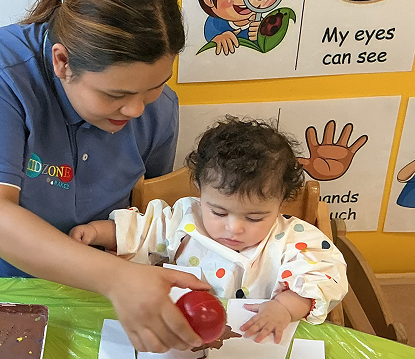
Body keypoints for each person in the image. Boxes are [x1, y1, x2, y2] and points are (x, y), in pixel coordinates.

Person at [0, 0, 211, 354]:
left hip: (89, 296)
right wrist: (118, 279)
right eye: (114, 95)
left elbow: (146, 215)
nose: (136, 110)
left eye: (154, 87)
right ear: (62, 62)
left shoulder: (158, 110)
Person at [70, 117, 348, 344]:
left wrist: (284, 308)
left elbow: (321, 278)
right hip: (180, 333)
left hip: (255, 339)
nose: (234, 228)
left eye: (254, 217)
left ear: (281, 202)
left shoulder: (293, 240)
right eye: (218, 212)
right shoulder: (184, 220)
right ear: (200, 191)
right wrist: (95, 232)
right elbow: (140, 231)